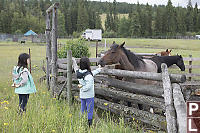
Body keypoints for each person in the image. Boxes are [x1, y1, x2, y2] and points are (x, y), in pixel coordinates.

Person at [76, 57, 102, 127]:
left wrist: (98, 69)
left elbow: (90, 74)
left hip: (82, 95)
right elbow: (88, 86)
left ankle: (81, 122)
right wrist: (83, 88)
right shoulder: (88, 76)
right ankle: (89, 125)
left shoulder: (79, 72)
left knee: (83, 108)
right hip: (89, 96)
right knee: (89, 110)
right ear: (88, 64)